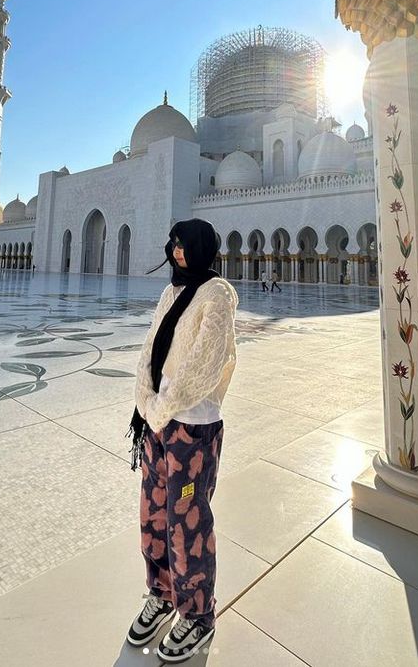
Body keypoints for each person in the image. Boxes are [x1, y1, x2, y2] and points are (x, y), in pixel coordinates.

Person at [126, 218, 238, 663]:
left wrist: (161, 406)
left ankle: (197, 612)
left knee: (187, 519)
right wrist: (145, 401)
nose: (176, 251)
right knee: (154, 513)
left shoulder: (217, 294)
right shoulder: (171, 291)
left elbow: (205, 364)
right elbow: (150, 348)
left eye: (183, 244)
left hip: (192, 426)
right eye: (172, 243)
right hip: (156, 424)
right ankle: (163, 591)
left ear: (202, 248)